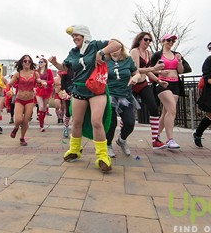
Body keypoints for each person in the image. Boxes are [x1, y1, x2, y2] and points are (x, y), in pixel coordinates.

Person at [49, 25, 121, 172]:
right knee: (76, 122)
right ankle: (75, 150)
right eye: (73, 36)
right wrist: (55, 63)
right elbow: (65, 68)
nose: (74, 38)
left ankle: (102, 156)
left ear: (84, 35)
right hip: (79, 89)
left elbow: (117, 44)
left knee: (96, 122)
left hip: (96, 89)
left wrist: (101, 52)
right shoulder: (73, 52)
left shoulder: (94, 45)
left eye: (77, 35)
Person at [129, 32, 167, 149]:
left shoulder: (148, 53)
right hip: (132, 84)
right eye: (146, 39)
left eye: (150, 40)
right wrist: (154, 68)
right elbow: (135, 70)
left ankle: (155, 140)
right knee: (128, 113)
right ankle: (122, 136)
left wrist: (158, 79)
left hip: (143, 84)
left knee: (154, 108)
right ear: (140, 40)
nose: (148, 42)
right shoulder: (134, 51)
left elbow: (147, 70)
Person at [104, 40, 141, 157]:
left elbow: (137, 73)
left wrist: (135, 78)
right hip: (109, 96)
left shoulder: (128, 60)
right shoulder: (104, 61)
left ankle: (122, 140)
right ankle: (108, 144)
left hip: (125, 96)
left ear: (121, 48)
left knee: (130, 122)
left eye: (117, 47)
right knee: (111, 122)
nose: (114, 49)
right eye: (111, 47)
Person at [149, 34, 185, 149]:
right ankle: (170, 139)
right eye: (168, 40)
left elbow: (180, 70)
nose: (171, 42)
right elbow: (150, 70)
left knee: (166, 112)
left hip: (176, 84)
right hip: (163, 83)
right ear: (163, 41)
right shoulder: (157, 55)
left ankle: (156, 137)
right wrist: (160, 72)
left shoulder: (176, 55)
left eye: (173, 40)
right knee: (172, 110)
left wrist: (179, 61)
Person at [8, 55, 42, 146]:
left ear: (31, 63)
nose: (27, 63)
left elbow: (40, 85)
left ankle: (22, 138)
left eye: (29, 61)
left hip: (30, 100)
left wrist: (41, 83)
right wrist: (8, 91)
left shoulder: (35, 73)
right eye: (25, 61)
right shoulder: (18, 74)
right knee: (18, 120)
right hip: (19, 99)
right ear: (21, 63)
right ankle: (15, 128)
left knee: (25, 121)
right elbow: (9, 84)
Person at [34, 56, 54, 132]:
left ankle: (42, 122)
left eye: (41, 62)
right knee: (41, 107)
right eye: (39, 62)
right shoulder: (36, 71)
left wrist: (46, 82)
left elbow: (51, 81)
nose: (40, 63)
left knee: (44, 108)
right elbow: (34, 80)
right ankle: (41, 125)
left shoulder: (48, 71)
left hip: (47, 90)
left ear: (45, 63)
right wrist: (34, 87)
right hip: (39, 90)